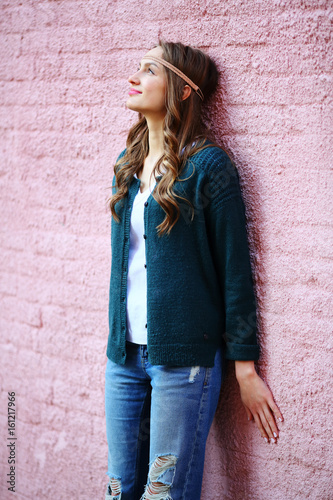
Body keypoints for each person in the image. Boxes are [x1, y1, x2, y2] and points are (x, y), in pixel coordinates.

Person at [105, 40, 283, 500]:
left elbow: (236, 270)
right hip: (123, 358)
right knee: (118, 487)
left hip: (183, 364)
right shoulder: (127, 168)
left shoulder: (210, 167)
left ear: (183, 91)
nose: (134, 77)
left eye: (150, 70)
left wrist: (245, 368)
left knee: (162, 495)